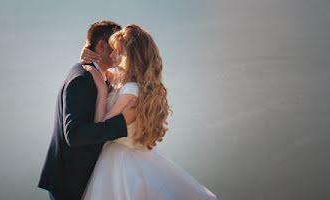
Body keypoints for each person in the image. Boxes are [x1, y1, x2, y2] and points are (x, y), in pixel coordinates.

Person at [79, 24, 216, 200]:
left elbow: (101, 127)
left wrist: (101, 90)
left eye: (118, 53)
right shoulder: (133, 83)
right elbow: (103, 71)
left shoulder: (129, 89)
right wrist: (86, 51)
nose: (112, 56)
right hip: (137, 155)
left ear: (130, 58)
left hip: (120, 162)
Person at [38, 21, 138, 200]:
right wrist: (122, 123)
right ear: (101, 46)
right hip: (70, 182)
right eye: (115, 47)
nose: (119, 53)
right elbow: (74, 134)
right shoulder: (82, 79)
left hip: (84, 177)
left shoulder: (99, 75)